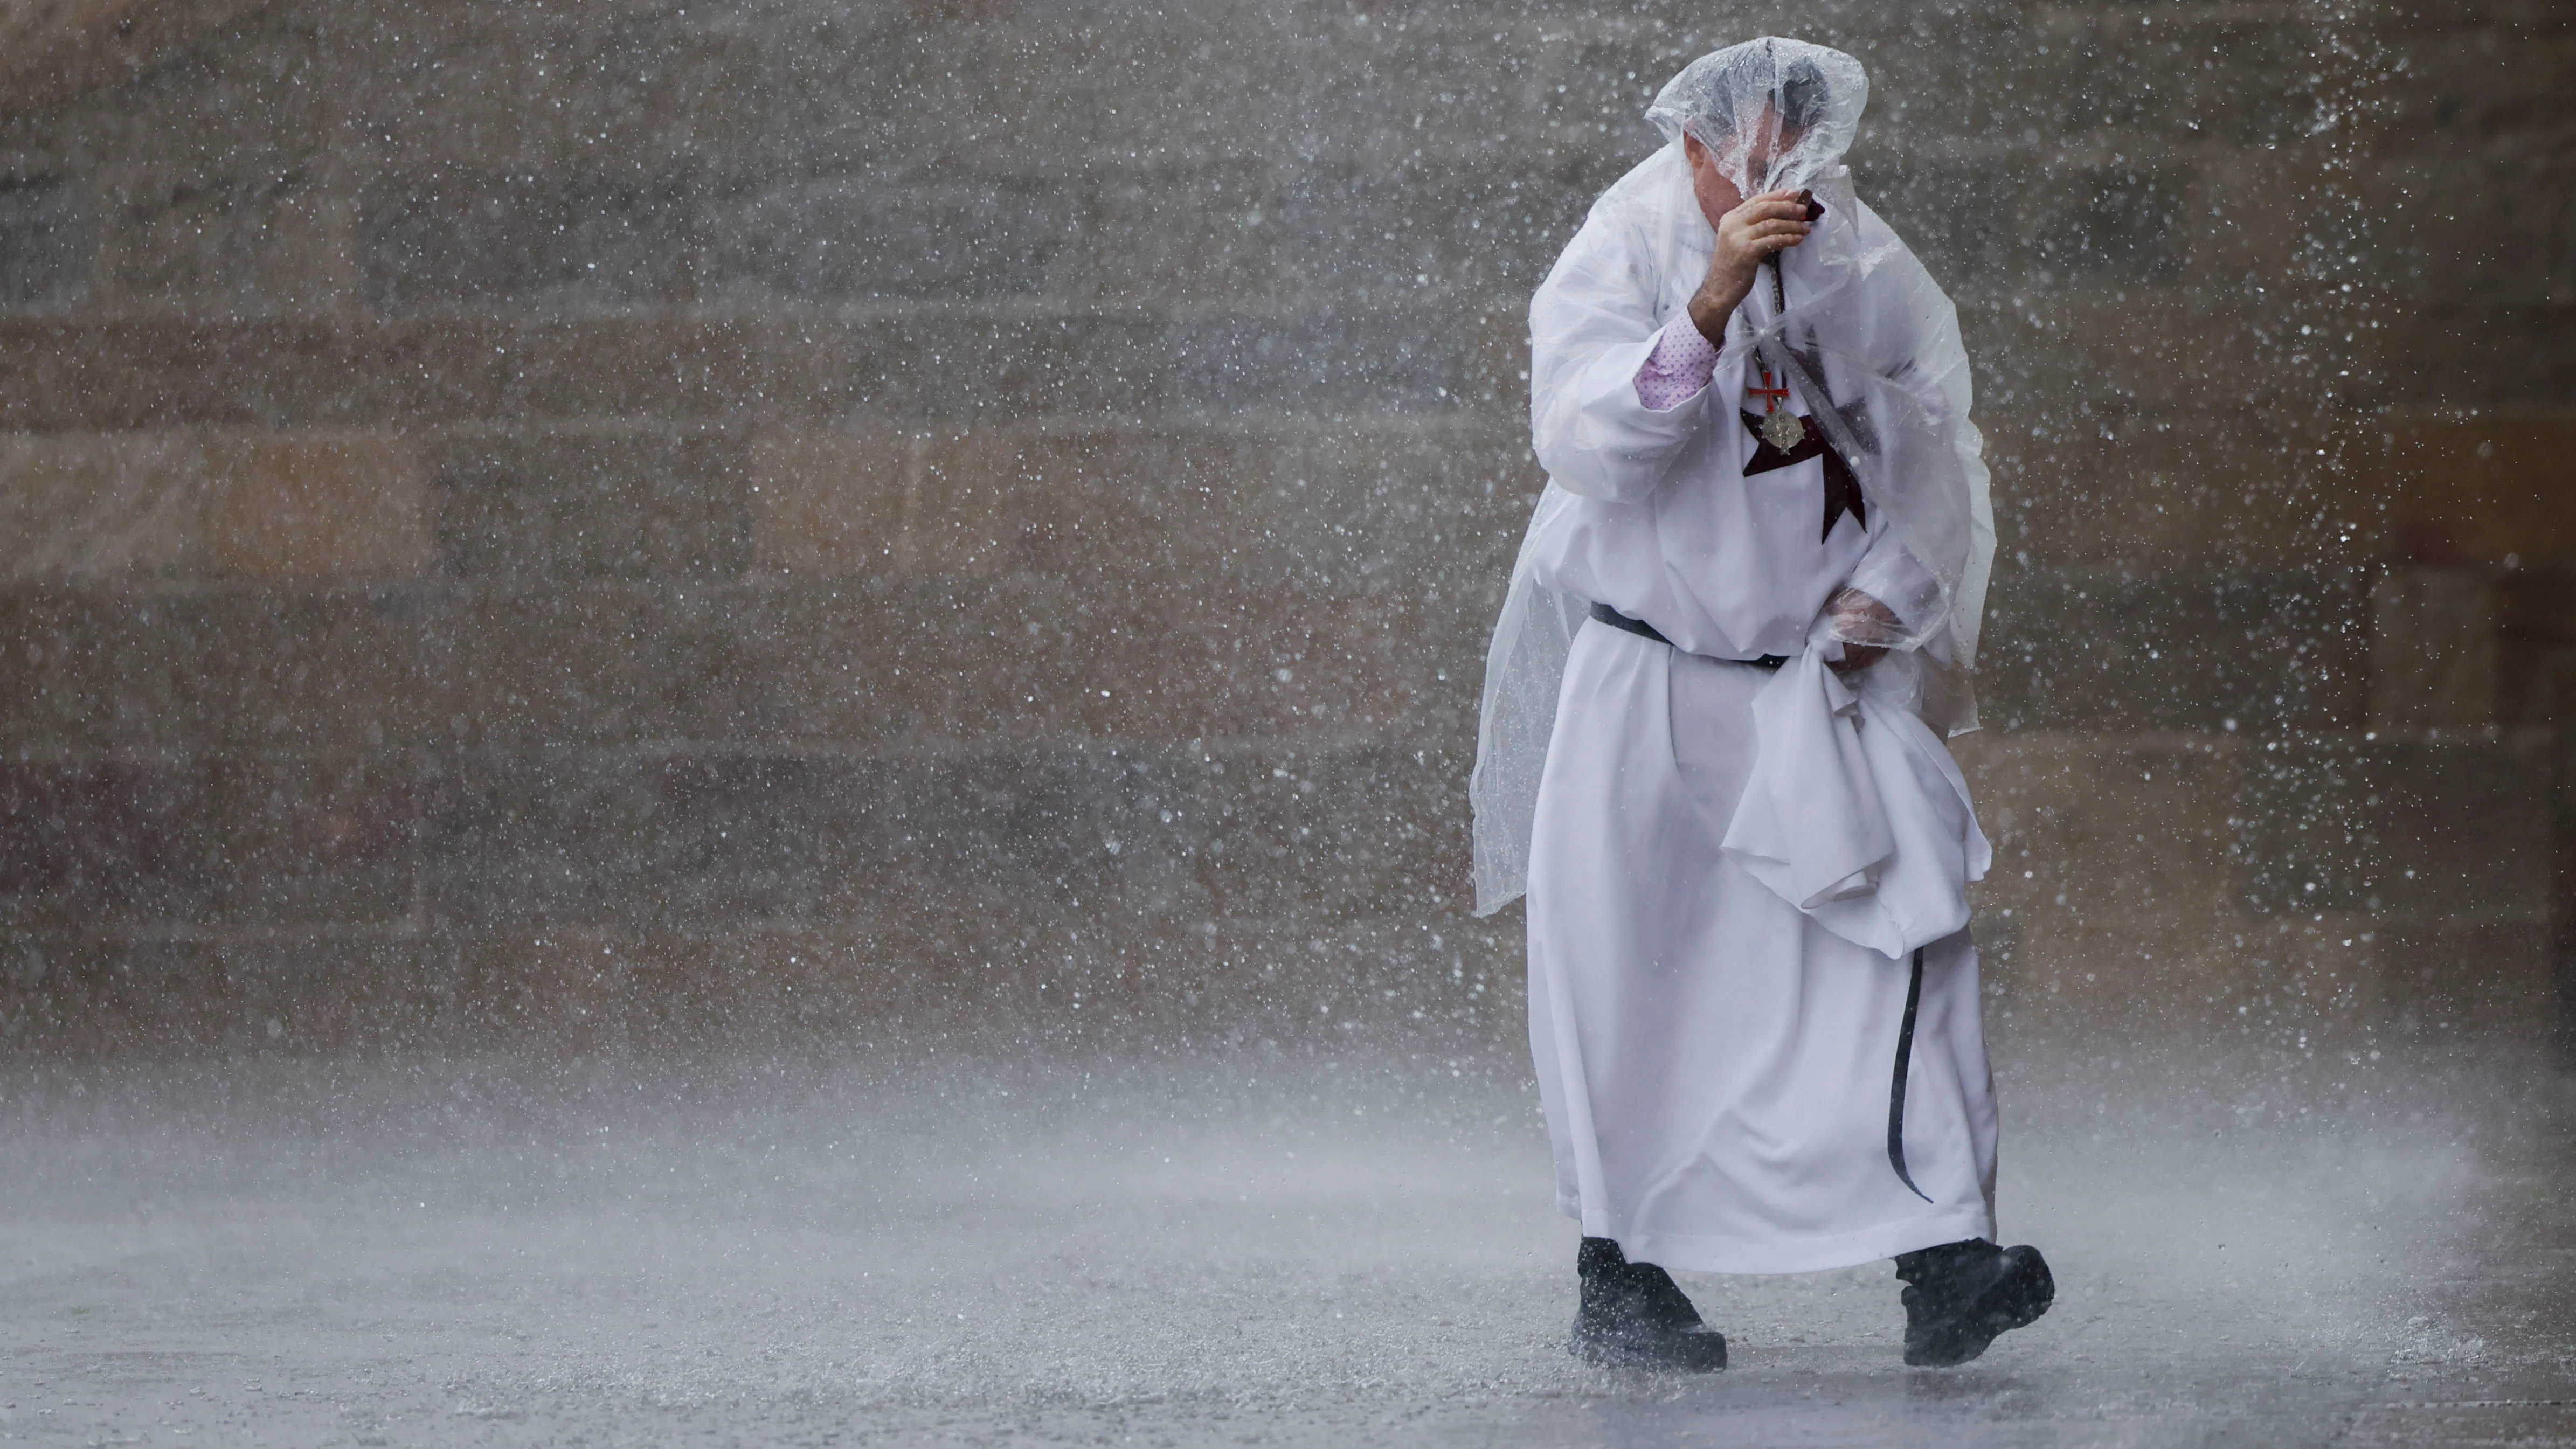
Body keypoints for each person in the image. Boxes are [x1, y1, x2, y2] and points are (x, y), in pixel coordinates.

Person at [1468, 38, 2052, 1371]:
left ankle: (1946, 1256)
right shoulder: (1620, 245)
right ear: (1692, 144)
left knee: (1904, 932)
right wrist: (1714, 294)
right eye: (1740, 151)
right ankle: (1620, 1274)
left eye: (1791, 151)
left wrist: (1886, 598)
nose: (1765, 173)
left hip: (1817, 687)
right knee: (1633, 977)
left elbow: (1930, 435)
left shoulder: (1855, 253)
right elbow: (1592, 445)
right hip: (1650, 686)